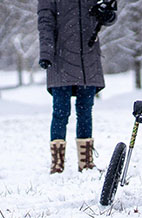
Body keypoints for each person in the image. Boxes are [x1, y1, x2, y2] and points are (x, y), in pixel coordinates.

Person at [37, 0, 117, 174]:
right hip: (60, 57)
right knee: (60, 111)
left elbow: (108, 14)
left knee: (85, 111)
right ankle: (57, 164)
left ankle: (86, 162)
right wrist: (46, 53)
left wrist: (108, 16)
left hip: (88, 58)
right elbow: (45, 22)